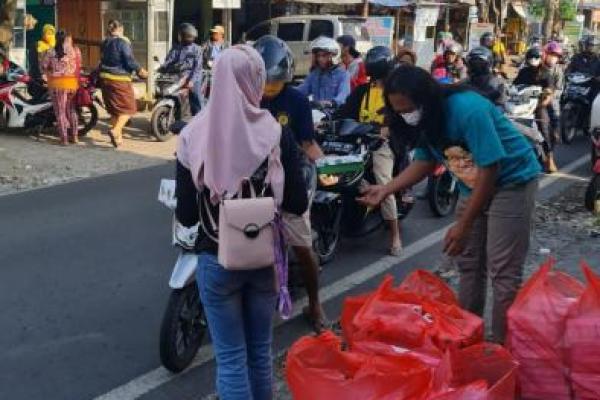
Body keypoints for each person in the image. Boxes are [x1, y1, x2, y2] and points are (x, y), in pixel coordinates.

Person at [359, 65, 541, 343]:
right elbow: (424, 161)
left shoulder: (468, 109)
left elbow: (490, 168)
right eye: (398, 110)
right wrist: (386, 189)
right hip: (473, 183)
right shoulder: (424, 120)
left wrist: (464, 224)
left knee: (503, 272)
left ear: (425, 99)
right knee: (470, 265)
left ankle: (502, 349)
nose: (405, 115)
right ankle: (470, 339)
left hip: (511, 181)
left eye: (408, 108)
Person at [175, 45, 308, 400]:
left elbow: (186, 214)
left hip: (215, 258)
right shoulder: (277, 133)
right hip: (264, 257)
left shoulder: (191, 135)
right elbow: (297, 201)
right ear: (257, 80)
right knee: (259, 354)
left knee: (231, 358)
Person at [255, 35, 327, 332]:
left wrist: (323, 166)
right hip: (253, 178)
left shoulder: (296, 101)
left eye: (274, 83)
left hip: (291, 177)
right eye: (264, 83)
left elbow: (308, 143)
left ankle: (315, 302)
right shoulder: (246, 95)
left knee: (301, 244)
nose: (268, 91)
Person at [340, 46, 403, 255]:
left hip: (381, 145)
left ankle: (395, 236)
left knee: (384, 183)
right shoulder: (361, 91)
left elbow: (398, 119)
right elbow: (345, 112)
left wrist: (386, 130)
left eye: (379, 77)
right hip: (357, 142)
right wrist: (326, 121)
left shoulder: (395, 94)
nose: (377, 81)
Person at [514, 44, 563, 173]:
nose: (533, 59)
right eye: (531, 57)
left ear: (541, 58)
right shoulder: (523, 71)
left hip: (539, 105)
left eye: (536, 57)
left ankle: (549, 157)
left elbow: (550, 91)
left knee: (544, 127)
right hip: (523, 104)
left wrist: (544, 100)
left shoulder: (546, 73)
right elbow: (515, 87)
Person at [99, 19, 148, 148]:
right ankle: (115, 131)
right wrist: (140, 70)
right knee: (129, 108)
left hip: (105, 79)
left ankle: (118, 138)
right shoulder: (122, 42)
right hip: (119, 80)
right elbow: (129, 60)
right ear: (121, 29)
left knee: (114, 110)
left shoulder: (104, 42)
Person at [40, 30, 81, 146]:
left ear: (56, 39)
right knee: (71, 110)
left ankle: (64, 139)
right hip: (71, 83)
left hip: (57, 84)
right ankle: (75, 136)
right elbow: (76, 66)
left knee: (60, 112)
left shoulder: (50, 51)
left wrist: (50, 71)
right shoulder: (73, 51)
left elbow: (43, 66)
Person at [161, 23, 203, 116]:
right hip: (179, 76)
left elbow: (197, 68)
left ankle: (201, 117)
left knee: (196, 97)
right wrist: (162, 67)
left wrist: (191, 81)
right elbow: (169, 60)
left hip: (193, 78)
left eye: (181, 35)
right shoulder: (176, 48)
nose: (179, 37)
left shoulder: (197, 49)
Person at [297, 36, 351, 107]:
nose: (320, 59)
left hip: (334, 114)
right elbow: (301, 90)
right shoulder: (314, 74)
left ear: (334, 55)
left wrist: (332, 103)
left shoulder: (343, 74)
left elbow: (343, 95)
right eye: (318, 56)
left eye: (324, 56)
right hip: (317, 113)